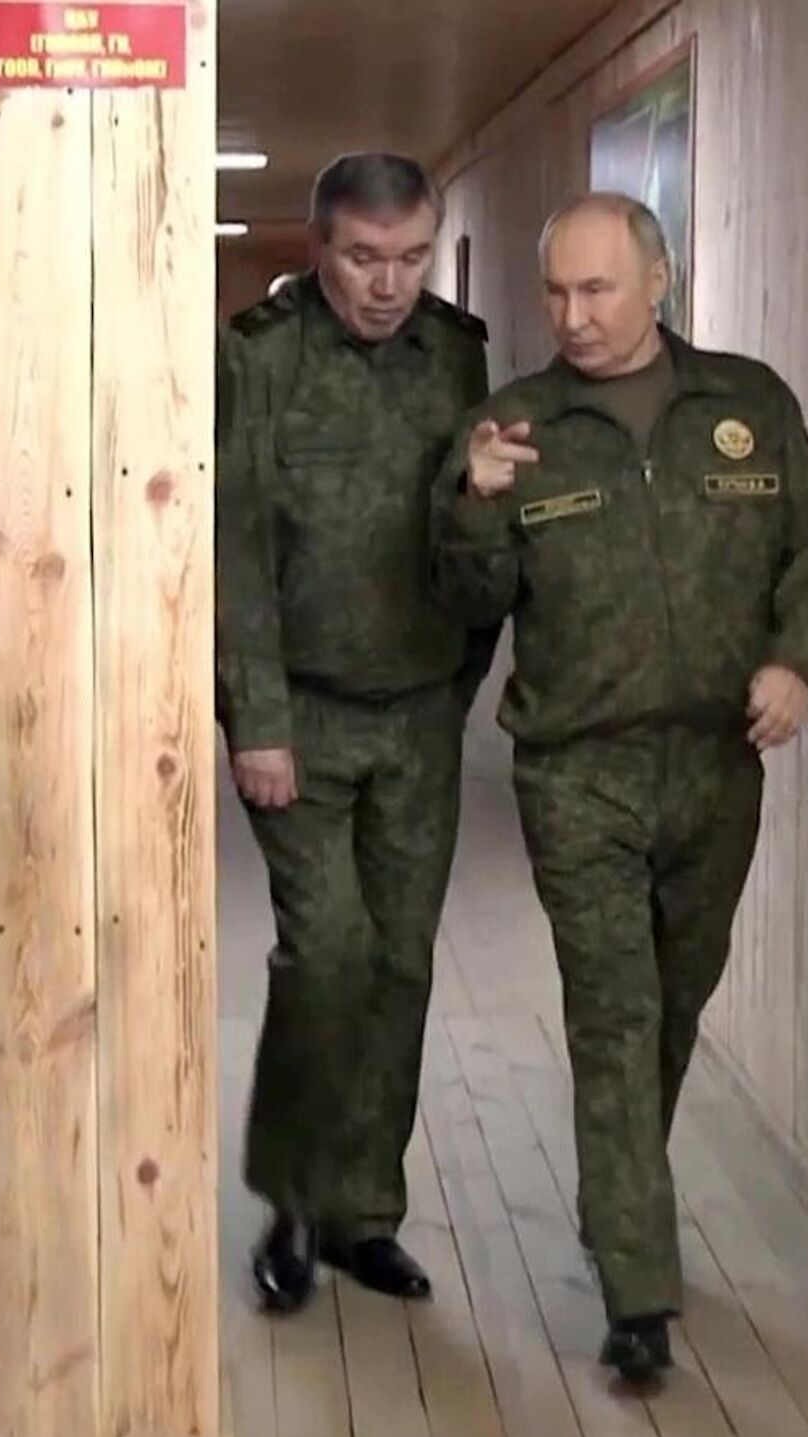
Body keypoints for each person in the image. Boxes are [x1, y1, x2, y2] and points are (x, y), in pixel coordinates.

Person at [427, 192, 808, 1384]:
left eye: (597, 289)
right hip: (579, 768)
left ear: (658, 282)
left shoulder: (748, 406)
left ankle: (621, 1198)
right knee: (614, 1013)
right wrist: (474, 504)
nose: (571, 315)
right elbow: (464, 600)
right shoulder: (514, 427)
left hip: (719, 763)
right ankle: (636, 1292)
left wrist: (796, 661)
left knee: (674, 1000)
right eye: (556, 292)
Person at [215, 151, 495, 1314]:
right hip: (304, 715)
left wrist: (456, 688)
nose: (390, 285)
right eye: (365, 258)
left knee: (400, 964)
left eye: (412, 258)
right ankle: (290, 1198)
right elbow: (235, 552)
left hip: (419, 716)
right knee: (327, 953)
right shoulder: (259, 359)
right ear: (317, 246)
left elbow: (475, 531)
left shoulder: (458, 354)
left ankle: (361, 1213)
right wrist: (257, 720)